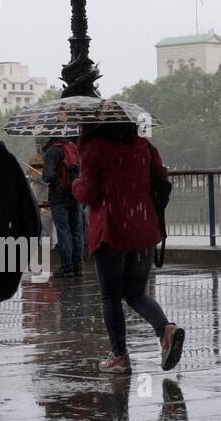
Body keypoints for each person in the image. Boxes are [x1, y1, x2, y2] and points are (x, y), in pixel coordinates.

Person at [72, 120, 185, 374]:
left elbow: (88, 193)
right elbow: (162, 177)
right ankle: (165, 329)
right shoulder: (143, 146)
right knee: (135, 293)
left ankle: (120, 356)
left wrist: (75, 184)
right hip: (143, 227)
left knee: (110, 297)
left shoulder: (93, 149)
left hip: (111, 229)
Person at [41, 137, 84, 277]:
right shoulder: (74, 149)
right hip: (75, 196)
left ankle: (67, 267)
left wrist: (46, 178)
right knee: (77, 231)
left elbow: (48, 176)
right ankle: (78, 266)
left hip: (58, 198)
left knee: (63, 231)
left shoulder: (51, 152)